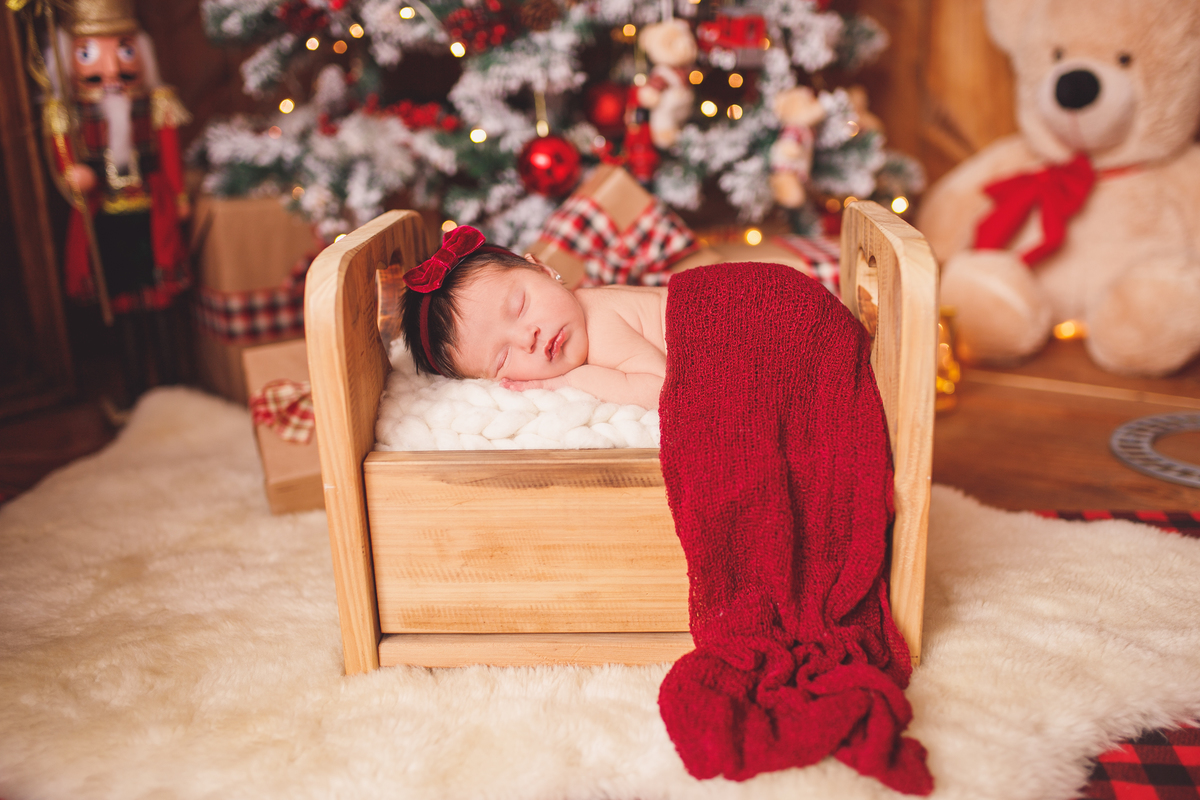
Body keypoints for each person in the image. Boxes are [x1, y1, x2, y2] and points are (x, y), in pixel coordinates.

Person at [401, 225, 667, 409]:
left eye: (520, 306)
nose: (527, 338)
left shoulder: (600, 322)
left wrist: (567, 382)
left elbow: (665, 389)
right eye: (503, 357)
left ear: (544, 270)